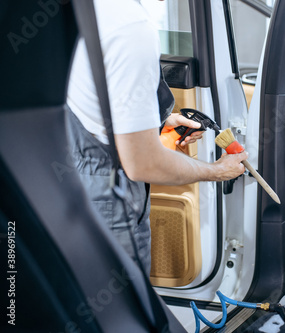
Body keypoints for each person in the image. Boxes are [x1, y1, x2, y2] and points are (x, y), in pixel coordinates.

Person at [67, 0, 247, 274]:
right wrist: (217, 171)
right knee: (123, 307)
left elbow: (90, 99)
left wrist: (155, 122)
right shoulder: (132, 29)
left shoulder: (82, 10)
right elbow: (143, 164)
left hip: (69, 178)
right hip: (108, 200)